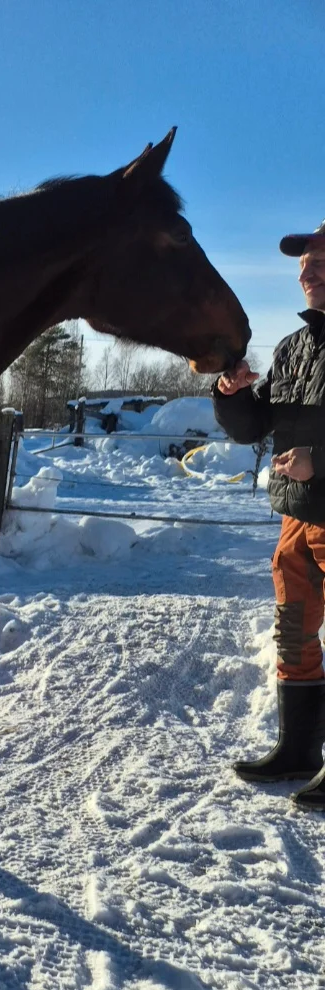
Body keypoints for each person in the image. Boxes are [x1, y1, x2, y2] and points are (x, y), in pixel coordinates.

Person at [215, 219, 325, 808]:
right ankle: (300, 749)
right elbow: (255, 427)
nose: (309, 269)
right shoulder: (294, 347)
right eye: (304, 260)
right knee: (293, 631)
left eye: (323, 258)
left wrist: (320, 459)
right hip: (298, 518)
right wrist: (231, 396)